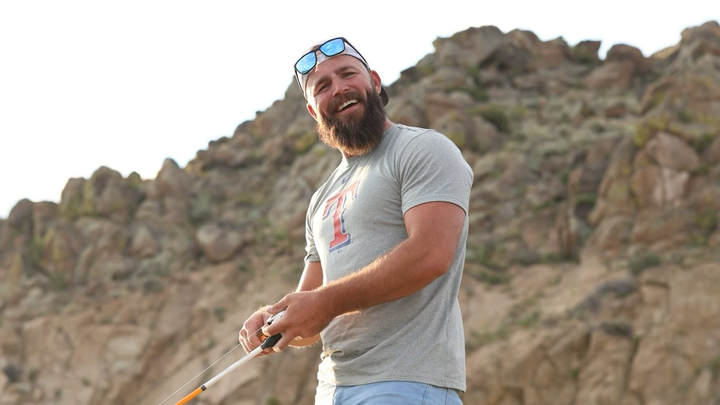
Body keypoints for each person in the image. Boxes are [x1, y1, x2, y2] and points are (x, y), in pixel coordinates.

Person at [238, 37, 473, 404]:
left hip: (405, 384)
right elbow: (311, 316)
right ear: (314, 111)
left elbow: (431, 254)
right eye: (322, 86)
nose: (339, 88)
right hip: (331, 390)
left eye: (348, 74)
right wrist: (272, 321)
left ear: (374, 82)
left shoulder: (422, 149)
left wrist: (325, 303)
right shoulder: (320, 199)